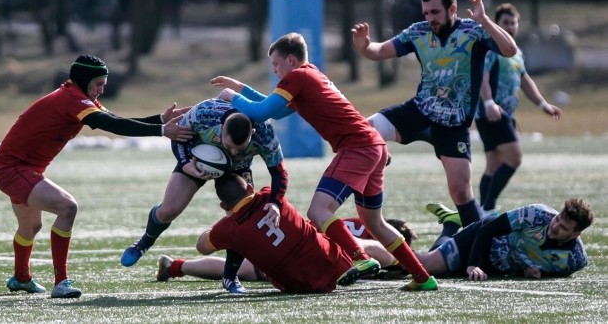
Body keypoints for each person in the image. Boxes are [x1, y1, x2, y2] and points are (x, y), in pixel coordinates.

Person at [213, 32, 436, 291]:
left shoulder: (297, 77)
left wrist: (231, 96)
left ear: (292, 60)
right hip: (374, 146)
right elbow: (273, 108)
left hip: (357, 147)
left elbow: (262, 112)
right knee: (375, 223)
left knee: (318, 212)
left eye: (276, 64)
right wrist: (239, 88)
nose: (274, 70)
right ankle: (423, 277)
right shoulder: (309, 75)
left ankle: (361, 259)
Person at [0, 54, 194, 298]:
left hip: (19, 168)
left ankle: (21, 278)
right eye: (98, 84)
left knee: (30, 226)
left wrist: (161, 120)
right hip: (13, 169)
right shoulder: (73, 101)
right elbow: (112, 126)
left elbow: (116, 120)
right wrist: (162, 131)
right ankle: (61, 282)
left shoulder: (78, 96)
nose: (102, 89)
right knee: (67, 207)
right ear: (84, 80)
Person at [351, 0, 519, 229]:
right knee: (367, 130)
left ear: (452, 9)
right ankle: (370, 212)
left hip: (454, 124)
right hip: (419, 111)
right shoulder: (418, 32)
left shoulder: (474, 31)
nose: (430, 18)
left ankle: (476, 246)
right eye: (426, 13)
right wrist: (364, 46)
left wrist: (484, 20)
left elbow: (510, 49)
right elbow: (380, 51)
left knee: (461, 193)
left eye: (435, 12)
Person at [120, 98, 288, 293]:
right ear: (222, 126)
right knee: (168, 210)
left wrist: (276, 202)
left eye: (239, 148)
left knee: (239, 220)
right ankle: (144, 242)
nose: (232, 151)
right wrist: (185, 164)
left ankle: (230, 278)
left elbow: (279, 173)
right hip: (198, 161)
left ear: (252, 133)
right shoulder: (205, 113)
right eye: (229, 144)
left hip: (238, 169)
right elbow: (177, 136)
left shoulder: (265, 132)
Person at [196, 174, 359, 294]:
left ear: (223, 205)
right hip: (335, 262)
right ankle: (367, 258)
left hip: (301, 286)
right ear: (251, 188)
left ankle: (219, 275)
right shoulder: (269, 193)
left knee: (234, 241)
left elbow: (201, 246)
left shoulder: (228, 229)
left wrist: (227, 219)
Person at [475, 3, 562, 216]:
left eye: (513, 23)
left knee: (494, 164)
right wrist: (488, 103)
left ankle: (481, 209)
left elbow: (524, 80)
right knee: (514, 158)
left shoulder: (516, 52)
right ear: (497, 24)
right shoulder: (491, 48)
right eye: (506, 22)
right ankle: (487, 208)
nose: (511, 26)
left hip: (502, 114)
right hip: (492, 113)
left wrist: (543, 104)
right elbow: (481, 78)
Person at [157, 218, 417, 282]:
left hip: (295, 244)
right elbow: (365, 248)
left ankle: (176, 266)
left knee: (248, 269)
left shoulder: (361, 224)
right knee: (249, 270)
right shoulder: (369, 235)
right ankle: (177, 266)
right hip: (319, 253)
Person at [419, 198, 591, 280]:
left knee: (443, 272)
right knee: (424, 267)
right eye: (557, 219)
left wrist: (532, 273)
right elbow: (488, 230)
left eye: (563, 228)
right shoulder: (536, 214)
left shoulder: (575, 260)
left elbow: (552, 272)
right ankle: (449, 225)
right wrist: (473, 264)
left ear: (576, 234)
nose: (555, 226)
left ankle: (450, 223)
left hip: (497, 267)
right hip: (481, 239)